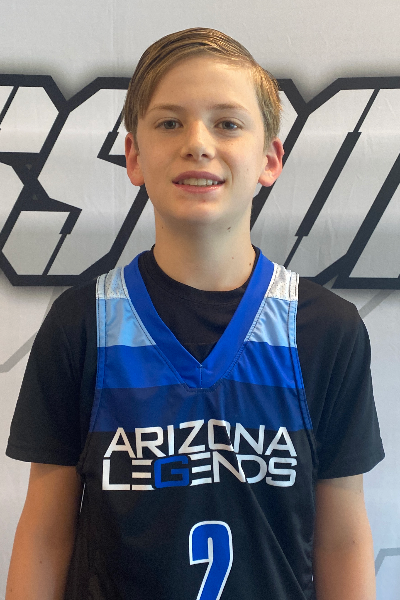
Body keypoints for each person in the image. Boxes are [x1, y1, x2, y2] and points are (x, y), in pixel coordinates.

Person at [6, 27, 384, 600]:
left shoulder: (325, 329)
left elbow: (341, 538)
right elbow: (45, 535)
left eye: (227, 123)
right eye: (169, 123)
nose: (198, 143)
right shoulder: (81, 325)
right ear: (134, 156)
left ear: (270, 159)